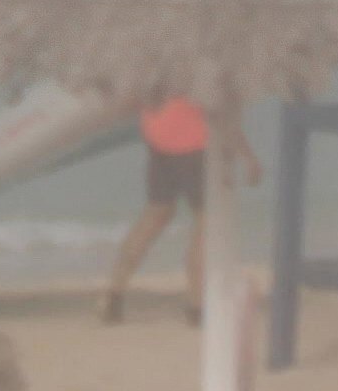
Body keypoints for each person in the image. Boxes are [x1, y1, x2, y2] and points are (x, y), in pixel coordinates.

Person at [102, 91, 247, 324]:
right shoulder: (198, 71)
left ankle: (114, 295)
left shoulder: (154, 70)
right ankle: (197, 306)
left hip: (159, 144)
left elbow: (130, 101)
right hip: (196, 147)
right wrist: (248, 156)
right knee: (205, 221)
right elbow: (221, 115)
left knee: (154, 217)